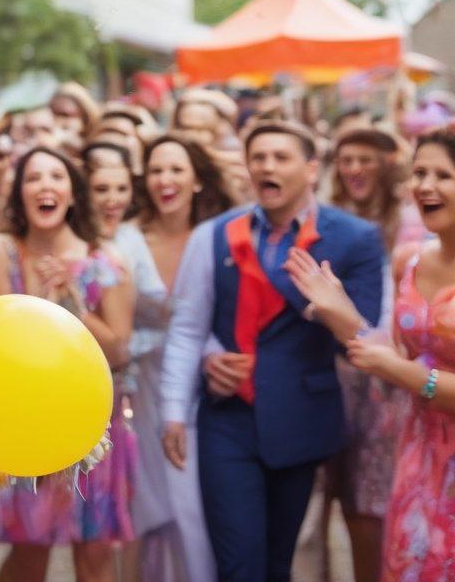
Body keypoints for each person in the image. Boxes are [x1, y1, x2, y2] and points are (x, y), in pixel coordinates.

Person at [160, 121, 385, 582]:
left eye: (281, 157)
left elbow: (367, 343)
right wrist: (176, 408)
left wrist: (331, 308)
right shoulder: (216, 233)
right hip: (227, 416)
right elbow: (188, 326)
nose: (267, 167)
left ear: (311, 169)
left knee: (280, 561)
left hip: (302, 418)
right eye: (258, 158)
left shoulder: (355, 237)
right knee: (239, 563)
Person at [0, 146, 135, 582]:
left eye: (57, 177)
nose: (45, 186)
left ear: (74, 193)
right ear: (19, 194)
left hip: (95, 422)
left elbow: (119, 350)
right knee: (30, 549)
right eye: (33, 178)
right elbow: (1, 342)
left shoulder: (106, 261)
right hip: (28, 418)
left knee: (95, 552)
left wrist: (72, 302)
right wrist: (41, 302)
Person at [293, 127, 418, 582]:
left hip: (386, 382)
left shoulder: (414, 223)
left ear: (389, 164)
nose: (354, 169)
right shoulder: (324, 219)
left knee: (367, 506)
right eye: (345, 160)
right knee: (313, 508)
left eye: (365, 159)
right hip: (328, 374)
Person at [337, 128, 455, 581]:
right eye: (420, 173)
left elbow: (401, 369)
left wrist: (402, 373)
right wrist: (338, 312)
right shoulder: (409, 259)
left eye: (443, 175)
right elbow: (399, 355)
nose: (425, 186)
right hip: (418, 450)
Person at [124, 135, 235, 582]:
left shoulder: (219, 238)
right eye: (156, 170)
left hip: (206, 387)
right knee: (145, 503)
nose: (165, 179)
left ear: (197, 180)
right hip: (139, 389)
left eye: (176, 169)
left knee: (196, 505)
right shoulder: (127, 239)